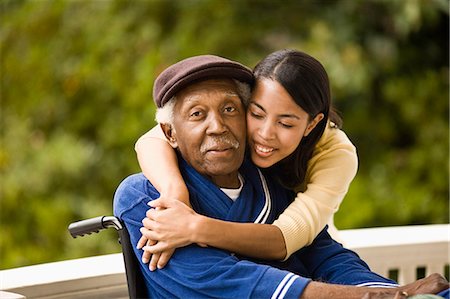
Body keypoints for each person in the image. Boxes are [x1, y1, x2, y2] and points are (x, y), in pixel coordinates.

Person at [113, 54, 449, 298]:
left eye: (230, 109)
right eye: (197, 114)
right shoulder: (145, 197)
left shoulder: (271, 180)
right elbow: (230, 283)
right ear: (170, 133)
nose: (217, 126)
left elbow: (323, 253)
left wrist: (388, 290)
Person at [136, 49, 357, 270]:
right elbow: (151, 141)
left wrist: (193, 227)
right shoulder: (227, 118)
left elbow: (285, 239)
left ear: (312, 124)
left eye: (286, 123)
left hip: (302, 249)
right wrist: (176, 195)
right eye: (257, 114)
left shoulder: (336, 153)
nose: (265, 133)